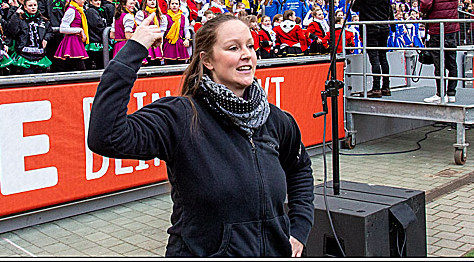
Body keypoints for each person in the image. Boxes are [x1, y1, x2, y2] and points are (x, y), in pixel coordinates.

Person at [87, 13, 314, 257]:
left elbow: (299, 168)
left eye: (250, 45)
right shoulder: (181, 116)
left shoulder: (276, 120)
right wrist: (133, 50)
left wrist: (299, 230)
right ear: (207, 61)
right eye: (233, 47)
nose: (247, 54)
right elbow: (106, 136)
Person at [420, 0, 464, 103]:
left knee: (439, 63)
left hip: (437, 29)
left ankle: (440, 94)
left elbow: (425, 4)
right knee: (452, 62)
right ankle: (452, 93)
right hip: (452, 29)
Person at [352, 0, 395, 97]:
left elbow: (354, 8)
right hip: (384, 28)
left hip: (370, 29)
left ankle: (376, 88)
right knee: (383, 58)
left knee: (374, 59)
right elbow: (389, 11)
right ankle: (386, 87)